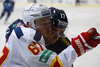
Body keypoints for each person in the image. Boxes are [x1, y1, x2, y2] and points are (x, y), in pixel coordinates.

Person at [1, 3, 100, 67]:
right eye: (53, 29)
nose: (57, 35)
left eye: (61, 32)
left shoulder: (64, 45)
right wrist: (78, 46)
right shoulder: (22, 32)